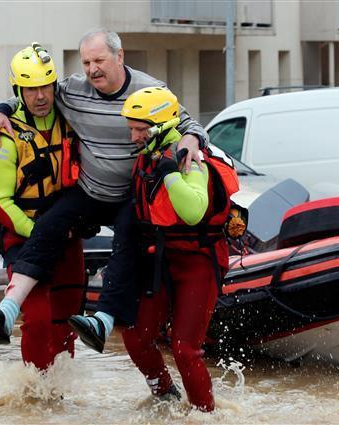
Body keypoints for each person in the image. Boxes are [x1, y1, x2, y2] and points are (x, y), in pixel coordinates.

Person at [0, 28, 209, 346]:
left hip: (131, 194)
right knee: (48, 225)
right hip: (89, 191)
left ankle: (103, 319)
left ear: (120, 56)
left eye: (99, 60)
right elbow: (32, 94)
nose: (92, 69)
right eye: (86, 62)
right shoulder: (72, 90)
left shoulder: (151, 89)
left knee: (125, 241)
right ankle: (6, 311)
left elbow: (188, 122)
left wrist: (193, 137)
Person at [101, 86, 238, 412]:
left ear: (160, 127)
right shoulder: (148, 156)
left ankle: (206, 416)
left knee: (184, 348)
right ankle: (165, 394)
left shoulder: (189, 156)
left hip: (197, 260)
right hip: (159, 260)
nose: (133, 136)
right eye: (131, 128)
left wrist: (171, 175)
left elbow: (193, 210)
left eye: (139, 129)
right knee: (135, 335)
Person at [0, 44, 85, 371]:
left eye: (45, 85)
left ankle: (59, 396)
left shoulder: (70, 116)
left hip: (67, 230)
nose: (40, 95)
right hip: (24, 234)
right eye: (31, 88)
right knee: (39, 320)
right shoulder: (3, 133)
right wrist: (40, 234)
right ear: (19, 89)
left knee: (69, 319)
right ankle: (34, 395)